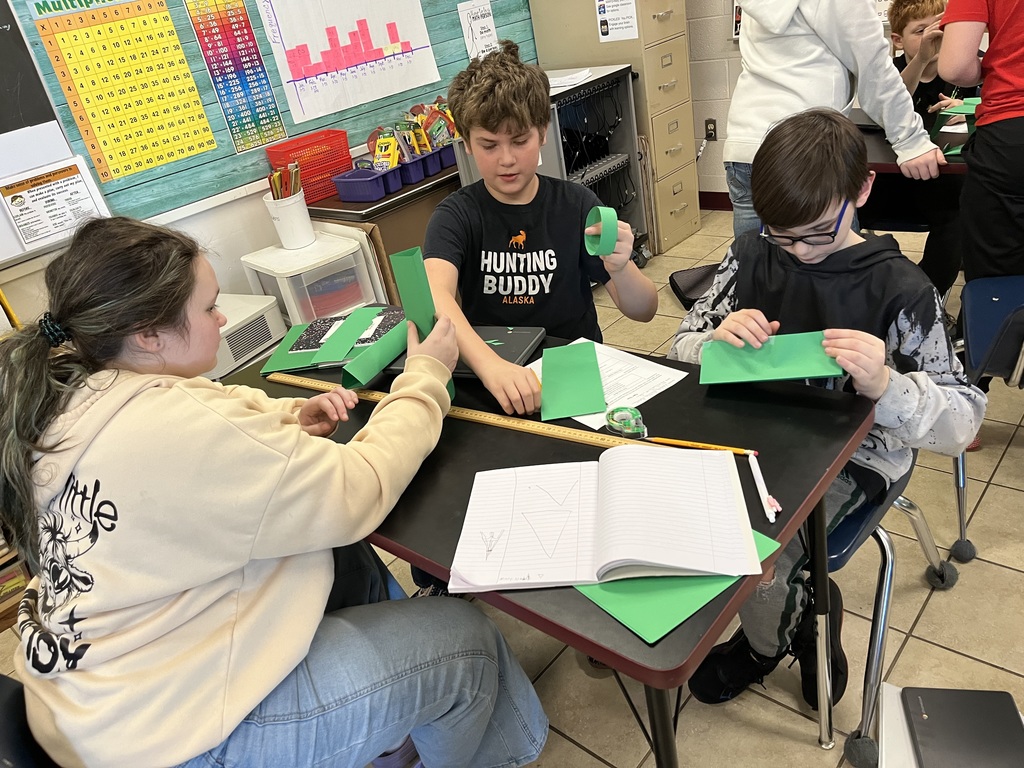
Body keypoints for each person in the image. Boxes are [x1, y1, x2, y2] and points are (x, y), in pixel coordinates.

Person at [0, 218, 548, 768]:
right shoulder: (173, 430)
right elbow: (362, 486)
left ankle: (395, 731)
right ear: (148, 333)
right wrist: (426, 377)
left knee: (341, 559)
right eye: (209, 308)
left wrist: (284, 420)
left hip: (94, 709)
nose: (220, 319)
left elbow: (208, 418)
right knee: (467, 644)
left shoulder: (65, 396)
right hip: (180, 739)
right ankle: (508, 751)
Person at [667, 109, 985, 708]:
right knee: (683, 509)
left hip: (859, 453)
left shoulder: (903, 289)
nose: (798, 252)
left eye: (815, 232)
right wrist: (713, 340)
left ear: (862, 189)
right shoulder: (753, 252)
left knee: (764, 548)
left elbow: (964, 419)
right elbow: (681, 347)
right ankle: (797, 613)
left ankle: (768, 643)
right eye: (780, 234)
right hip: (757, 433)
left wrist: (888, 384)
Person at [423, 39, 658, 418]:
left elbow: (644, 310)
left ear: (543, 132)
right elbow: (439, 301)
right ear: (466, 143)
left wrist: (619, 267)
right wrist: (491, 366)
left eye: (520, 141)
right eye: (488, 145)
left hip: (571, 365)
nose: (506, 159)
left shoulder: (578, 205)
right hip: (494, 367)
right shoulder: (455, 216)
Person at [724, 0, 947, 240]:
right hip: (810, 148)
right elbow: (874, 68)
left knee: (753, 265)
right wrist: (911, 141)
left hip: (745, 145)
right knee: (835, 269)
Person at [939, 0, 1022, 446]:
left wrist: (991, 64)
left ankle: (966, 409)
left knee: (992, 280)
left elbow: (955, 66)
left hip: (1011, 133)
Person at [858, 0, 980, 301]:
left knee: (960, 216)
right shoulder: (888, 71)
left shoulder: (965, 69)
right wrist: (921, 61)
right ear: (898, 39)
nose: (931, 37)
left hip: (940, 184)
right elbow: (888, 105)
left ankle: (924, 297)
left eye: (938, 29)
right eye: (920, 31)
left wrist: (967, 106)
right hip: (888, 185)